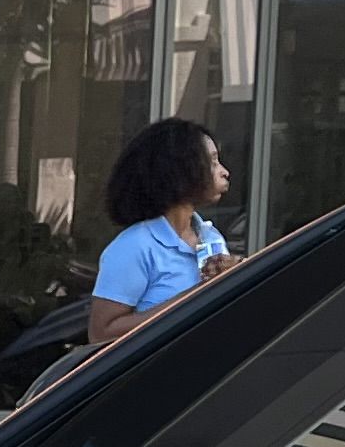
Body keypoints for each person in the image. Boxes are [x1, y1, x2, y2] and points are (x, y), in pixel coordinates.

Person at [84, 117, 235, 350]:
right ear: (180, 170)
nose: (225, 172)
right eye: (213, 162)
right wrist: (196, 298)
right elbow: (100, 334)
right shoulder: (134, 246)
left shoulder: (211, 236)